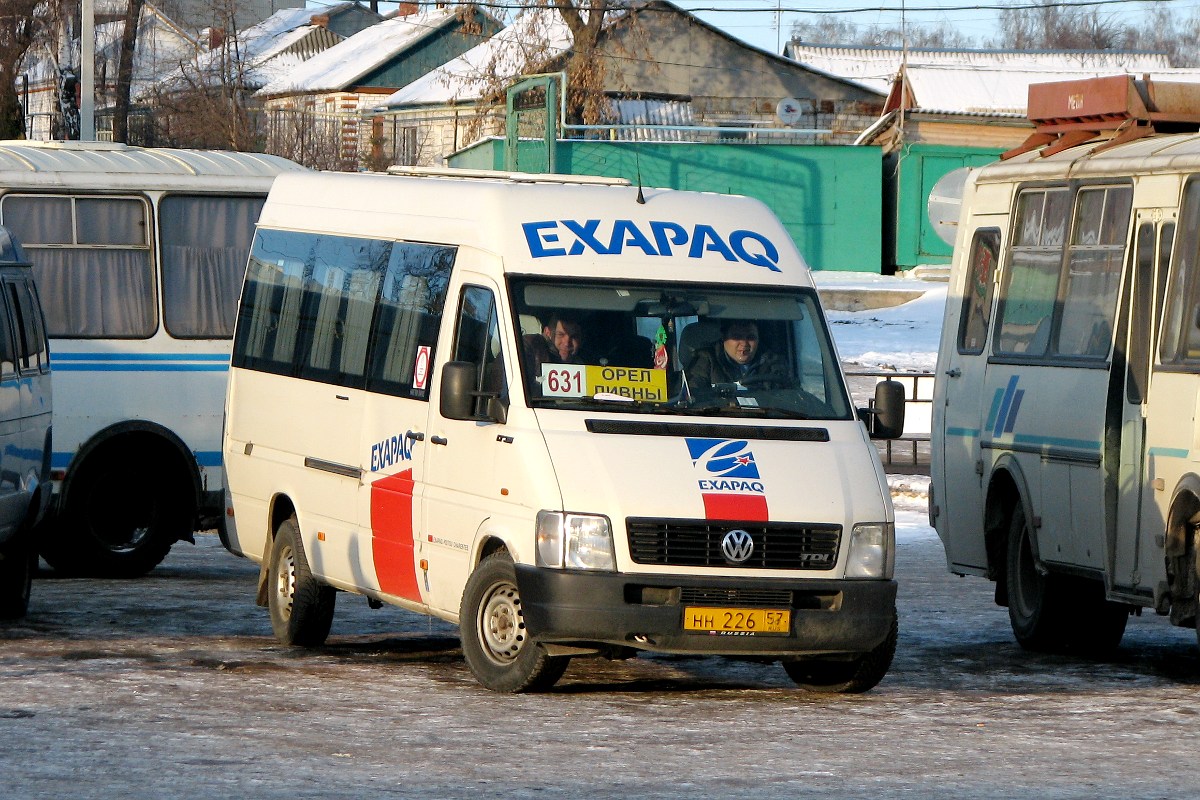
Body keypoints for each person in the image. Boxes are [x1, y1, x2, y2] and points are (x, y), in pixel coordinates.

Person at [686, 319, 787, 391]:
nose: (744, 343)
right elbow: (694, 393)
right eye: (737, 337)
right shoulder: (706, 359)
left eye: (751, 337)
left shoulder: (773, 362)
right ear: (724, 337)